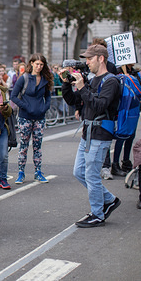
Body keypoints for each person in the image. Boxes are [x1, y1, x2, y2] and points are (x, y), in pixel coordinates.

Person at [61, 44, 122, 227]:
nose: (86, 62)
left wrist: (82, 87)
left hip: (101, 133)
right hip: (88, 133)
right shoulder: (92, 79)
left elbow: (99, 106)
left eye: (89, 58)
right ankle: (109, 200)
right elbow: (74, 101)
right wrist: (66, 83)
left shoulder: (111, 81)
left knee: (92, 176)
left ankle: (97, 214)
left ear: (101, 58)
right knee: (79, 172)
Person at [10, 53, 53, 184]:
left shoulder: (45, 79)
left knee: (37, 146)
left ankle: (38, 172)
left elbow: (48, 96)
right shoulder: (24, 78)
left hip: (39, 117)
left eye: (41, 64)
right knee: (23, 145)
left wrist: (44, 108)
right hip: (25, 117)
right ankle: (21, 173)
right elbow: (13, 96)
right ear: (32, 63)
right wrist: (26, 107)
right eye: (37, 64)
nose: (39, 67)